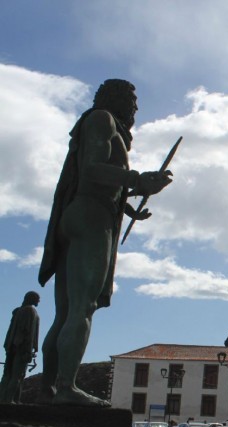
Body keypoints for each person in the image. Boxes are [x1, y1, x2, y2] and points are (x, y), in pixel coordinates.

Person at [37, 79, 173, 406]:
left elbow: (104, 180)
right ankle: (66, 389)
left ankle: (49, 390)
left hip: (85, 213)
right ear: (118, 100)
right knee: (82, 307)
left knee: (66, 312)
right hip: (91, 217)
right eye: (133, 103)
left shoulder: (99, 123)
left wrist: (130, 200)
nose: (136, 110)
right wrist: (136, 179)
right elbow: (92, 170)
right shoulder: (103, 119)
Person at [0, 291, 40, 403]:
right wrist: (28, 349)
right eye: (37, 298)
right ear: (31, 298)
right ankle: (9, 400)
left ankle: (6, 399)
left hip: (11, 347)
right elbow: (28, 331)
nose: (39, 301)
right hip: (22, 348)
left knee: (7, 374)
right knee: (18, 375)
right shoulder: (30, 311)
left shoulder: (19, 311)